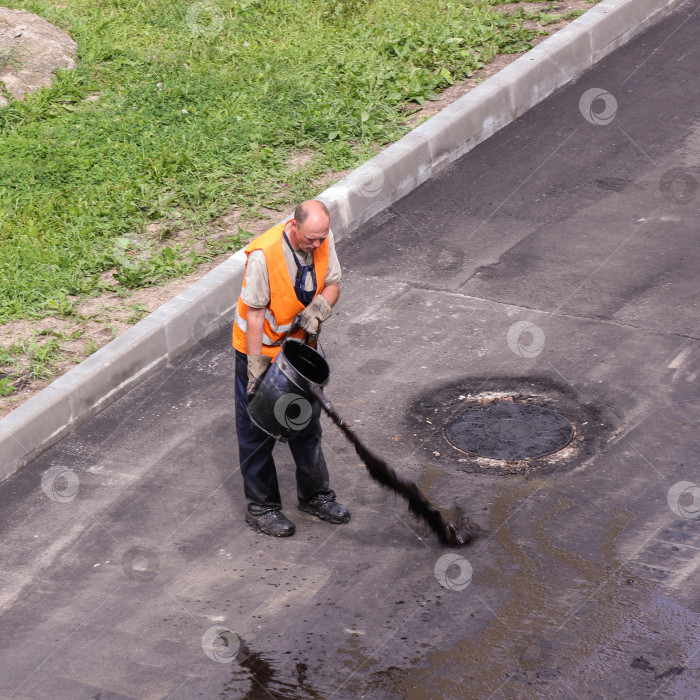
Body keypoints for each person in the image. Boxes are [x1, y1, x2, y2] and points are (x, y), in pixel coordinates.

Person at [232, 199, 351, 537]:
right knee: (256, 431)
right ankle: (262, 508)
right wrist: (256, 371)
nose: (317, 244)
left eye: (322, 237)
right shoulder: (264, 256)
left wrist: (320, 308)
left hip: (297, 351)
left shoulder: (322, 240)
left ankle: (315, 496)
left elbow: (333, 283)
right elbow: (255, 315)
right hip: (260, 352)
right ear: (294, 226)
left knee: (305, 423)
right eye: (311, 238)